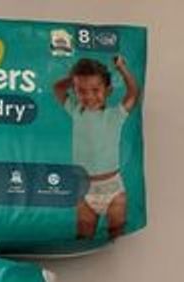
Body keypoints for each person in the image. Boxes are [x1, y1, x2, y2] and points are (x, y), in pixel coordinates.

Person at [54, 55, 140, 239]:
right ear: (75, 91)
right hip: (84, 189)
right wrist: (74, 78)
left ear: (108, 90)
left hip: (113, 189)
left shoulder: (116, 115)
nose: (89, 96)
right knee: (84, 237)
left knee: (117, 236)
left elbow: (133, 93)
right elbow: (58, 88)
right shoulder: (76, 111)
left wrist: (122, 68)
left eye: (95, 90)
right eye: (81, 91)